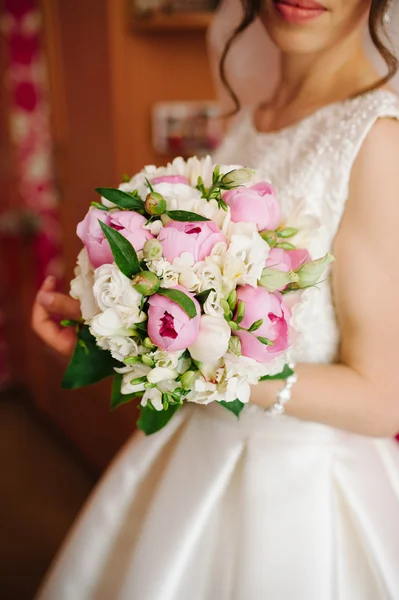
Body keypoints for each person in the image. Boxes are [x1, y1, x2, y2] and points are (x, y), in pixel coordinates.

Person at [33, 1, 399, 598]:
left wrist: (195, 363)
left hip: (300, 493)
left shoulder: (377, 139)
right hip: (195, 449)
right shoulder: (254, 115)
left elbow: (385, 398)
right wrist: (107, 326)